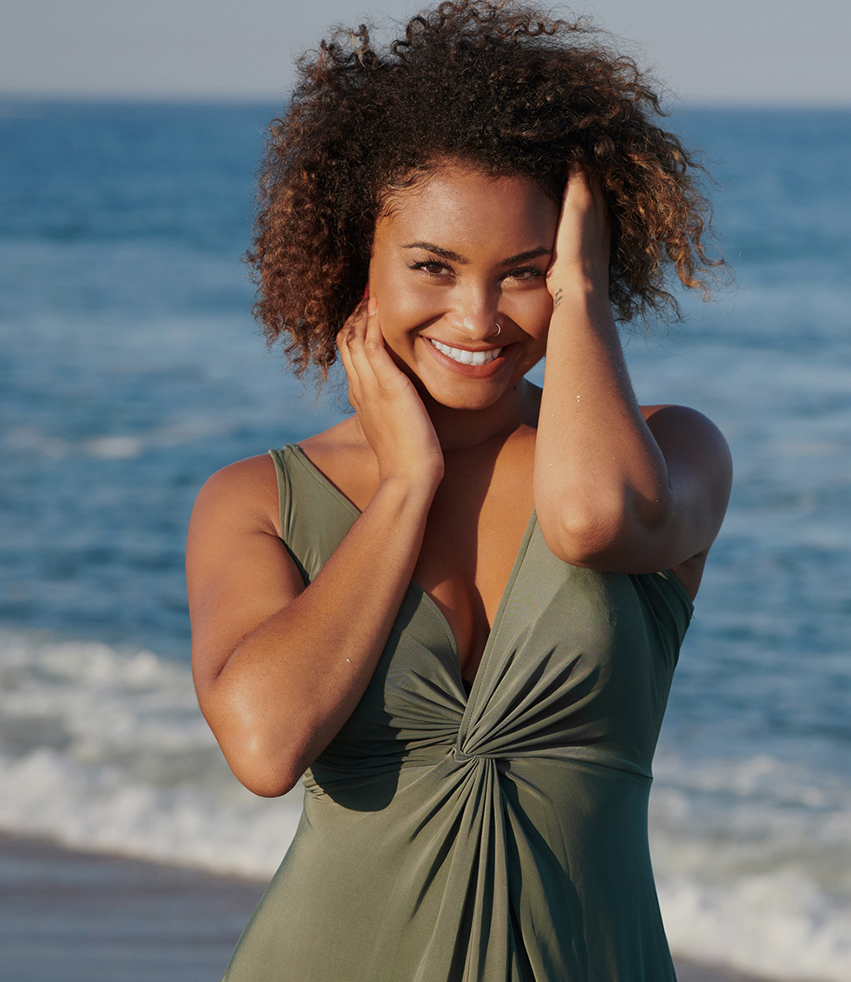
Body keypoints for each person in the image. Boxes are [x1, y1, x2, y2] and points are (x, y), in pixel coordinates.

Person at [186, 1, 731, 978]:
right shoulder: (256, 500)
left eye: (527, 272)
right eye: (432, 266)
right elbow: (266, 747)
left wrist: (584, 298)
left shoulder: (670, 453)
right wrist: (404, 487)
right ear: (360, 261)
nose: (476, 316)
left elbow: (590, 516)